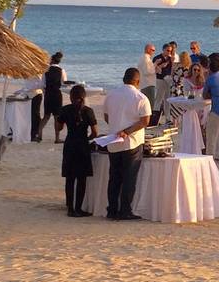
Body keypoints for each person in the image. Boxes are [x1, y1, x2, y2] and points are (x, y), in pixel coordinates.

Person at [102, 68, 151, 220]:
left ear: (124, 79)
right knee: (129, 178)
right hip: (132, 143)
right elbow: (145, 121)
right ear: (138, 81)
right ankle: (125, 210)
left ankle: (112, 210)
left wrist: (117, 127)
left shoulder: (111, 95)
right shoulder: (141, 97)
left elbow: (106, 116)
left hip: (113, 141)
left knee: (114, 177)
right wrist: (127, 131)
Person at [54, 85, 97, 217]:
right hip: (82, 144)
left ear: (71, 97)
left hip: (70, 143)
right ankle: (78, 208)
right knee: (81, 178)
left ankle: (70, 208)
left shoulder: (65, 110)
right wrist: (88, 139)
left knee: (70, 178)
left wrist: (58, 118)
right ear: (84, 97)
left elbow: (59, 128)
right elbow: (95, 132)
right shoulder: (88, 111)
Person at [39, 51, 67, 143]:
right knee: (57, 117)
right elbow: (64, 83)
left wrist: (45, 92)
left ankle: (39, 135)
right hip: (57, 94)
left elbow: (42, 84)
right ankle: (57, 138)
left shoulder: (46, 70)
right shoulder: (61, 70)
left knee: (46, 116)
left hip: (48, 94)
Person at [152, 43, 174, 113]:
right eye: (167, 50)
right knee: (159, 98)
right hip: (160, 80)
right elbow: (153, 70)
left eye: (170, 51)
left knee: (168, 99)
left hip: (168, 80)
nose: (169, 52)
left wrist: (173, 62)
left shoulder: (171, 59)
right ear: (163, 50)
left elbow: (173, 70)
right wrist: (161, 66)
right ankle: (155, 114)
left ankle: (168, 117)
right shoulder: (157, 58)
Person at [138, 43, 157, 109]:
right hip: (148, 84)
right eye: (153, 50)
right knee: (150, 105)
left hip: (145, 84)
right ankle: (149, 119)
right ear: (148, 50)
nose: (154, 52)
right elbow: (147, 71)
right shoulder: (145, 58)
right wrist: (155, 65)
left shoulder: (144, 58)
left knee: (147, 104)